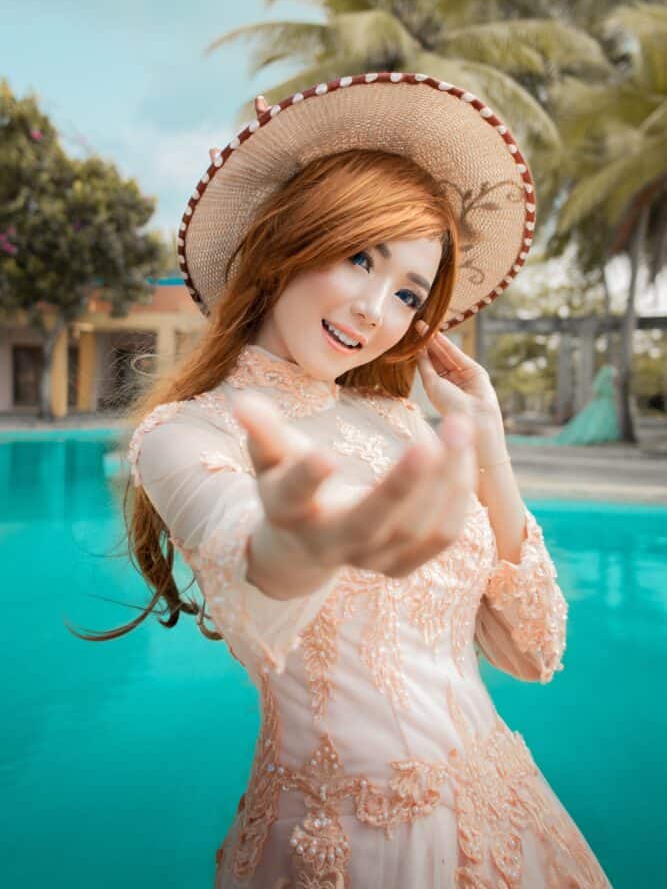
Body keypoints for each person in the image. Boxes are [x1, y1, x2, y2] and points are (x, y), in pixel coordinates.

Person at [116, 74, 612, 886]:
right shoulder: (183, 433)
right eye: (358, 258)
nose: (375, 310)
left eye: (408, 291)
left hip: (511, 817)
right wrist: (309, 541)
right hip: (348, 847)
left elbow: (533, 649)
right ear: (288, 239)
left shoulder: (394, 423)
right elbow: (252, 554)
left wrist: (486, 443)